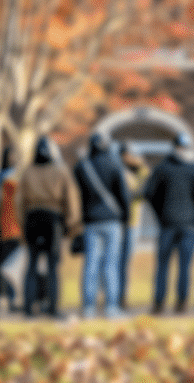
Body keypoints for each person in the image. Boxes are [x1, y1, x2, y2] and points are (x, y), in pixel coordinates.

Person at [142, 132, 194, 314]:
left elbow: (150, 194)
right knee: (184, 266)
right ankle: (181, 302)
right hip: (189, 224)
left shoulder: (163, 168)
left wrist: (160, 214)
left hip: (168, 223)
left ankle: (159, 302)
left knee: (163, 265)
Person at [17, 136, 81, 317]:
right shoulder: (61, 171)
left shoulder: (28, 172)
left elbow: (19, 201)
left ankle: (29, 309)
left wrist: (24, 224)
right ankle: (53, 308)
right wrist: (71, 224)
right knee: (53, 266)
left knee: (31, 265)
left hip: (32, 219)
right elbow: (72, 200)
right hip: (53, 221)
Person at [74, 131, 130, 318]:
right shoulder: (115, 165)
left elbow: (78, 194)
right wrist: (126, 217)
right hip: (112, 221)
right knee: (110, 264)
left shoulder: (83, 167)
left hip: (90, 221)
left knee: (91, 263)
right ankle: (111, 307)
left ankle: (88, 307)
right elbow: (123, 195)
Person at [118, 142, 150, 310]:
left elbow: (146, 184)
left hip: (132, 222)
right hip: (120, 222)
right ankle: (114, 296)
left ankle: (122, 296)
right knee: (114, 262)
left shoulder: (139, 171)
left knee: (125, 263)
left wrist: (141, 165)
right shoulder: (117, 170)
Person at [0, 146, 23, 313]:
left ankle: (1, 297)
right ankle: (12, 298)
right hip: (16, 228)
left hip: (2, 226)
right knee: (13, 266)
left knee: (2, 264)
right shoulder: (18, 179)